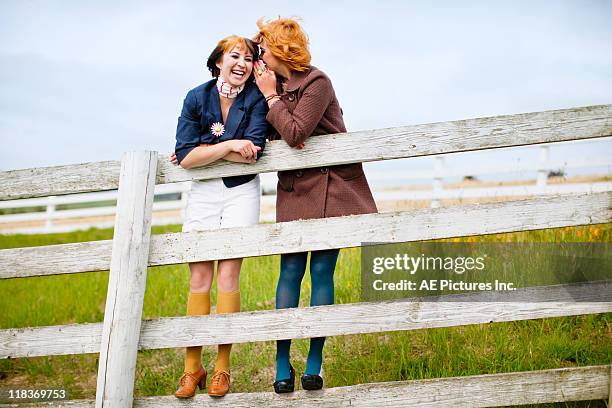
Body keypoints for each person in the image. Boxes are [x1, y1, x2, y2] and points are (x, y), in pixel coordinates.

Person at [252, 18, 377, 393]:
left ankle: (314, 363)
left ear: (280, 48)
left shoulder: (317, 82)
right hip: (293, 187)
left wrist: (273, 101)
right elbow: (266, 132)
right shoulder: (267, 85)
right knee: (289, 272)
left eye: (263, 47)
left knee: (322, 273)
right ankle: (280, 362)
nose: (258, 55)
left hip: (331, 186)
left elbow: (293, 132)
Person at [170, 35, 268, 398]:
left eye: (248, 57)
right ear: (218, 61)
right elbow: (184, 153)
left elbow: (252, 153)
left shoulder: (255, 98)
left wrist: (203, 150)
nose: (242, 62)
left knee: (228, 273)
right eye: (235, 56)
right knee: (198, 276)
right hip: (203, 193)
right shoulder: (196, 96)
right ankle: (191, 369)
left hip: (241, 191)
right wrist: (227, 145)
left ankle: (223, 368)